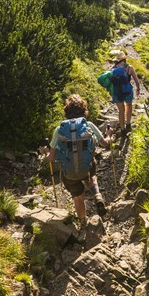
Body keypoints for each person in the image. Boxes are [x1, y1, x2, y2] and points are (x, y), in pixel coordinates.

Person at [43, 94, 113, 230]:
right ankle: (97, 196)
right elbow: (104, 144)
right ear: (84, 111)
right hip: (86, 167)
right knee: (92, 175)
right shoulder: (89, 125)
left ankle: (83, 223)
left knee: (78, 197)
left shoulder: (59, 130)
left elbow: (51, 158)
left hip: (69, 173)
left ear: (66, 111)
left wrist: (46, 152)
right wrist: (109, 135)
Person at [111, 51, 140, 139]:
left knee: (121, 110)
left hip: (117, 93)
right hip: (128, 91)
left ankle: (122, 129)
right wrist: (138, 88)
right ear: (124, 59)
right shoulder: (129, 68)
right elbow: (136, 80)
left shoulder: (113, 69)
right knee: (129, 105)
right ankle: (128, 124)